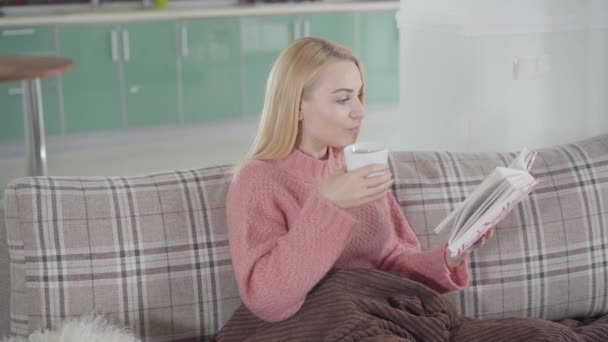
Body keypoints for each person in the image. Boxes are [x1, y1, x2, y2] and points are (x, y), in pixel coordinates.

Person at [225, 37, 492, 323]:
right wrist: (328, 205)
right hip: (328, 325)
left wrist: (450, 256)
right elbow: (267, 300)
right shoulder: (257, 180)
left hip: (388, 317)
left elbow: (392, 262)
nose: (360, 111)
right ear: (296, 107)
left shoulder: (355, 165)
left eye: (358, 96)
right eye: (342, 99)